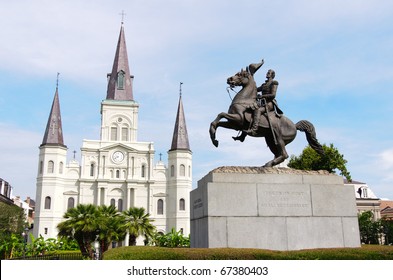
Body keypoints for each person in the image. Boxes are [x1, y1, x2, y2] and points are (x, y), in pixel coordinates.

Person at [245, 69, 283, 136]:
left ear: (272, 75)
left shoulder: (274, 83)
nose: (267, 74)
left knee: (258, 110)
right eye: (267, 72)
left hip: (269, 103)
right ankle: (243, 135)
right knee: (249, 109)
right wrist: (250, 78)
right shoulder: (264, 84)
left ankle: (254, 129)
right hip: (262, 103)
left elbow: (273, 95)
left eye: (269, 73)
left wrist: (262, 96)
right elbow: (255, 89)